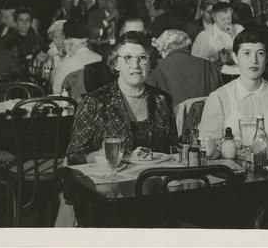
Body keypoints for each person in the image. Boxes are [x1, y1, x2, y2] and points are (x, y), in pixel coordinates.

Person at [66, 32, 177, 165]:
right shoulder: (95, 101)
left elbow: (172, 149)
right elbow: (74, 155)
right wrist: (100, 157)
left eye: (142, 58)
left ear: (150, 64)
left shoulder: (162, 100)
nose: (135, 65)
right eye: (128, 57)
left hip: (152, 178)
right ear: (116, 64)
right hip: (110, 179)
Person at [197, 29, 268, 142]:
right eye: (247, 53)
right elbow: (207, 145)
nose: (254, 60)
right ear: (235, 58)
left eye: (260, 53)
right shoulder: (219, 98)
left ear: (266, 58)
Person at [147, 29, 224, 108]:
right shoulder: (208, 65)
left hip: (172, 119)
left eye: (160, 51)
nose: (160, 54)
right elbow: (221, 99)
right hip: (207, 118)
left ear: (164, 49)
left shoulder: (157, 68)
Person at [51, 20, 101, 94]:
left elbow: (56, 91)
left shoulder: (65, 65)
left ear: (68, 41)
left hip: (75, 104)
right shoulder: (99, 58)